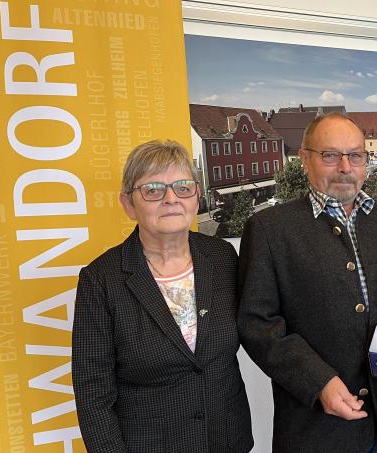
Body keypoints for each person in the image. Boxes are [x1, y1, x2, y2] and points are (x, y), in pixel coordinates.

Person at [238, 113, 377, 453]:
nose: (345, 166)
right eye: (330, 155)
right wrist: (318, 382)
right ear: (304, 159)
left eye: (356, 155)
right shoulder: (270, 229)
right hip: (313, 432)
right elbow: (257, 324)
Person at [72, 140, 253, 452]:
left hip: (227, 440)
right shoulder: (101, 280)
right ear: (128, 204)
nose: (171, 199)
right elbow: (93, 393)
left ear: (197, 197)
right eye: (153, 190)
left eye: (183, 187)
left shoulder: (223, 257)